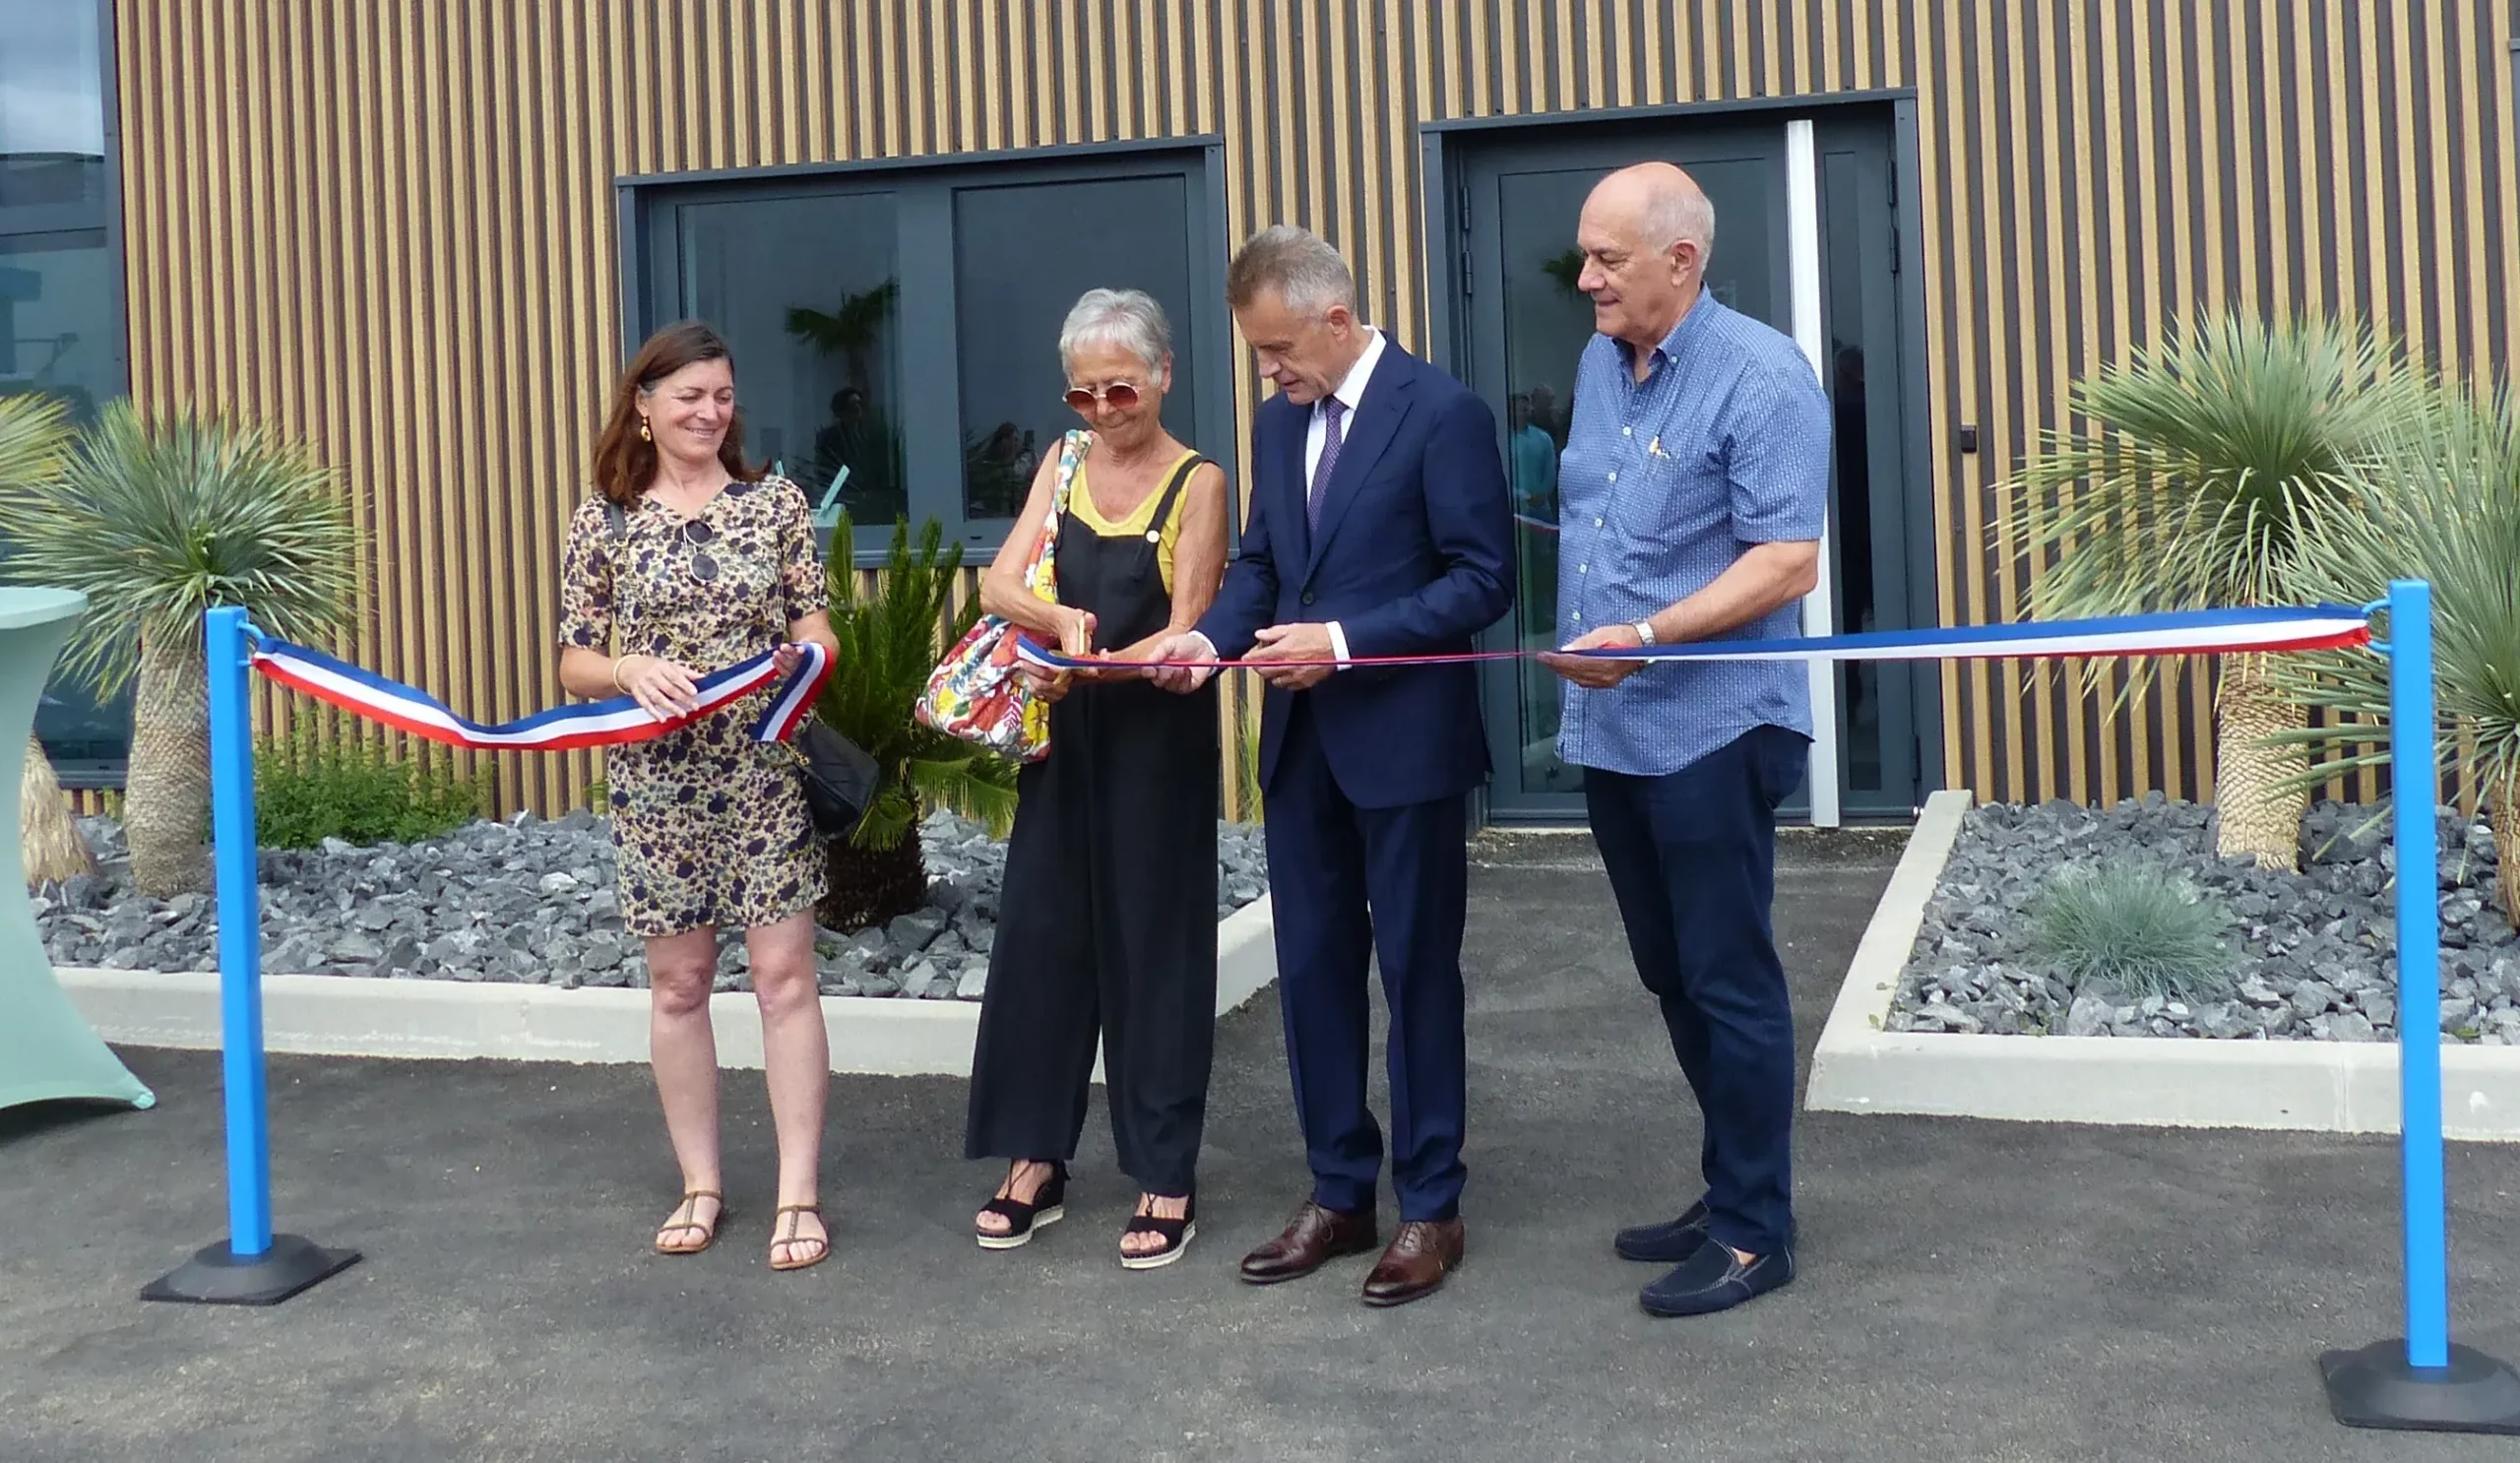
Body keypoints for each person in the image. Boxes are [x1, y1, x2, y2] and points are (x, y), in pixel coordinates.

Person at [1146, 225, 1513, 1308]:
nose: (1268, 372)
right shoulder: (1279, 418)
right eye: (1260, 355)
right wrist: (1207, 642)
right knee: (1311, 977)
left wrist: (1343, 642)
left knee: (1414, 974)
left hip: (1405, 745)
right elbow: (1265, 563)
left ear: (1338, 320)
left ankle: (1430, 1207)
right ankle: (1338, 1193)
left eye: (1278, 349)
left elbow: (1481, 579)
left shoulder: (1443, 415)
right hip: (1299, 748)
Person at [1538, 162, 1831, 1317]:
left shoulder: (1761, 376)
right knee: (1669, 975)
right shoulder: (1599, 366)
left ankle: (1759, 1231)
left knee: (1727, 977)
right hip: (1615, 726)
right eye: (1584, 256)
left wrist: (1648, 632)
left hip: (1714, 725)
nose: (1588, 279)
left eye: (1609, 259)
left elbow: (1785, 557)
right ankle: (1729, 1184)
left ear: (1682, 261)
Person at [556, 320, 844, 1273]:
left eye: (721, 396)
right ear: (643, 405)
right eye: (689, 398)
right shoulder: (603, 518)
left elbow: (817, 625)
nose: (709, 413)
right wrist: (627, 666)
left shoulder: (776, 506)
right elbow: (572, 661)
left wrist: (811, 656)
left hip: (761, 771)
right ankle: (702, 1183)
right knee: (678, 986)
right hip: (656, 784)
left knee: (783, 980)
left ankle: (798, 1192)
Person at [962, 287, 1230, 1270]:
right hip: (1061, 736)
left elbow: (1190, 620)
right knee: (1042, 936)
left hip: (1153, 740)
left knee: (1154, 949)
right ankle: (1035, 1155)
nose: (1105, 409)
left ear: (1163, 375)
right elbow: (997, 583)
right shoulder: (1064, 460)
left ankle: (1166, 1170)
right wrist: (1051, 622)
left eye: (1121, 388)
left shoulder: (1199, 481)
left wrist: (1089, 662)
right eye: (1083, 394)